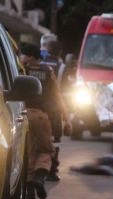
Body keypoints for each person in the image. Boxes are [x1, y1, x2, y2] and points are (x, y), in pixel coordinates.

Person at [19, 43, 70, 199]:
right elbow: (57, 97)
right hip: (42, 117)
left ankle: (29, 191)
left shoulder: (21, 71)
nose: (20, 57)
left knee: (28, 152)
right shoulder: (48, 72)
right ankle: (40, 178)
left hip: (24, 115)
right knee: (46, 150)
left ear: (31, 57)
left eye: (23, 54)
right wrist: (67, 119)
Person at [40, 40, 73, 181]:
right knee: (55, 139)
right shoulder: (63, 68)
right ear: (60, 52)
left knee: (39, 138)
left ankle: (38, 168)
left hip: (38, 106)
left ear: (47, 50)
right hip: (55, 108)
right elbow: (66, 92)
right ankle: (51, 171)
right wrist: (69, 112)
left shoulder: (38, 65)